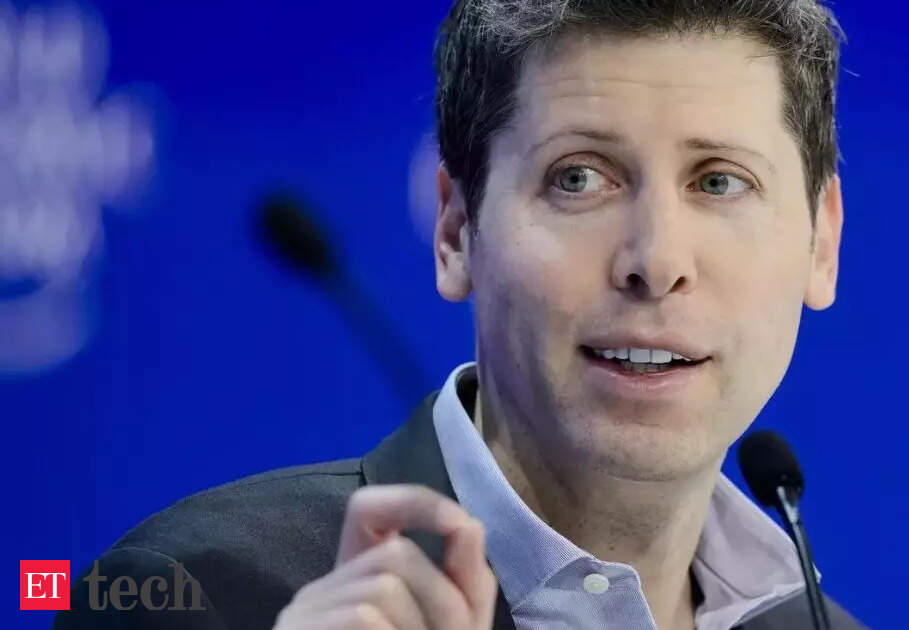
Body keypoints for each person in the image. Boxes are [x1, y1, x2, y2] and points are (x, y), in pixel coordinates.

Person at [54, 1, 863, 628]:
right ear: (454, 230)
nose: (655, 261)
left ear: (821, 242)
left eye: (719, 182)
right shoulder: (193, 595)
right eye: (578, 178)